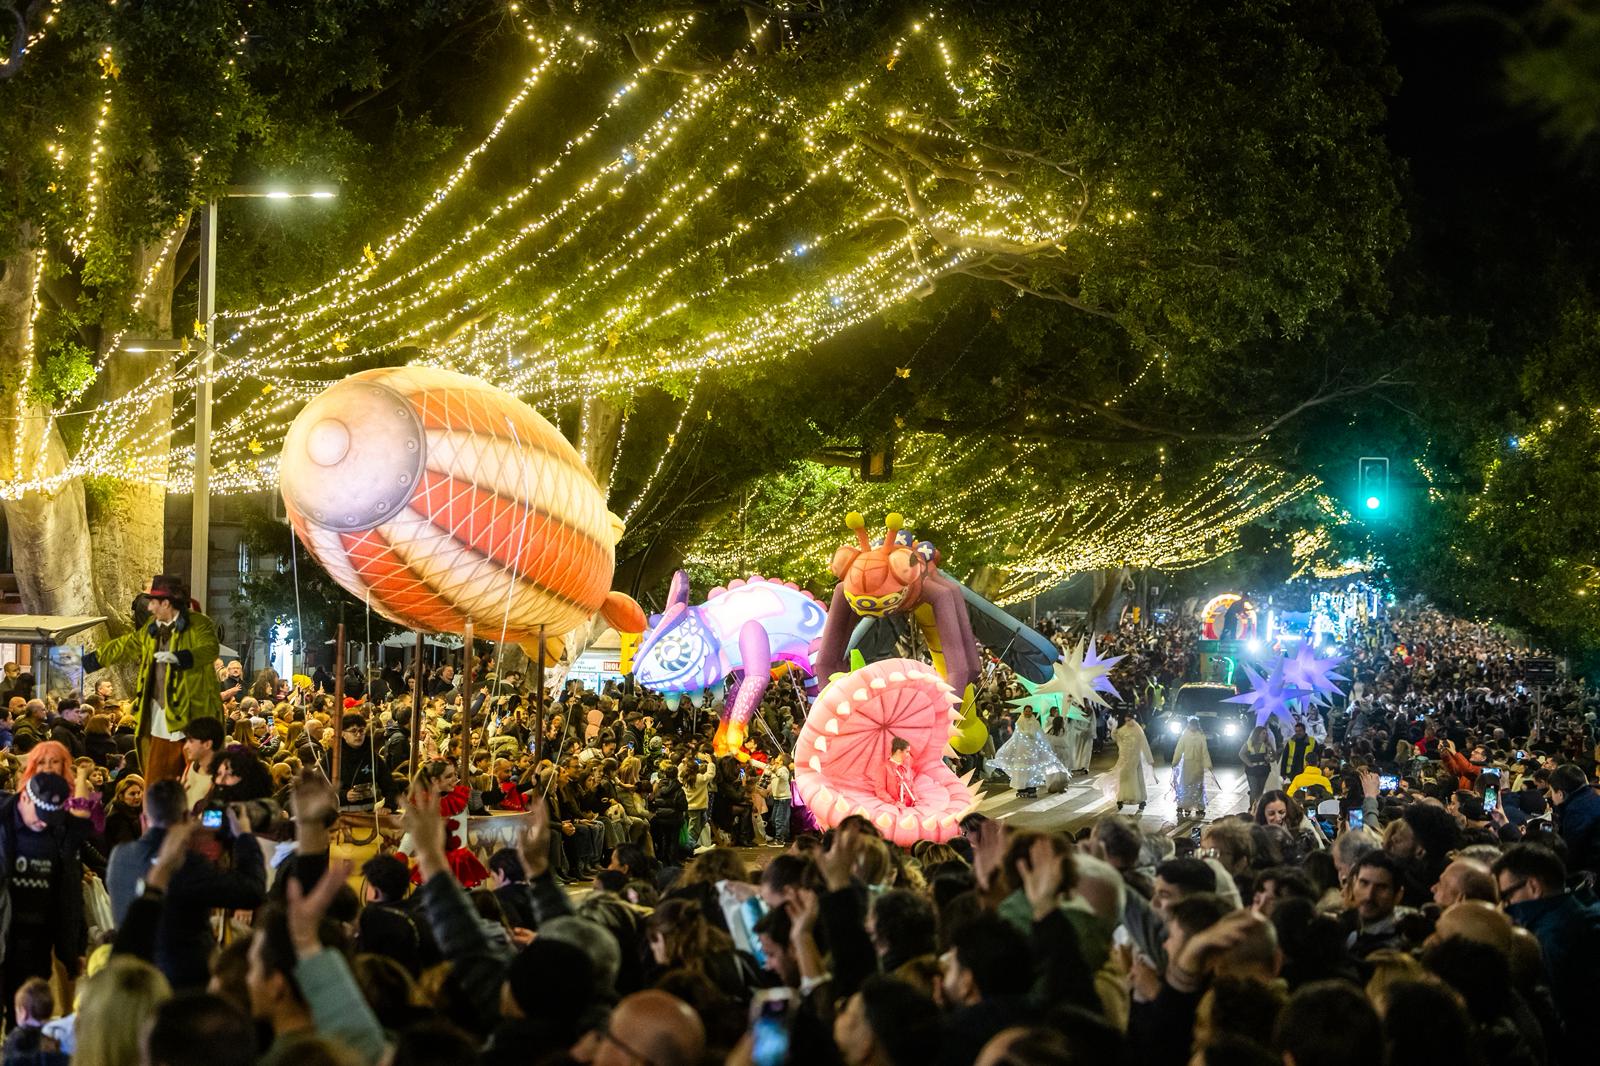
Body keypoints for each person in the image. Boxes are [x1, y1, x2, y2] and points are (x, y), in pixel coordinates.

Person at [105, 779, 267, 989]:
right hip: (182, 984)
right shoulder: (185, 864)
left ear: (145, 819)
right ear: (185, 817)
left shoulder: (120, 856)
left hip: (133, 982)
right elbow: (251, 891)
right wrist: (244, 837)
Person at [82, 574, 225, 784]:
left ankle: (204, 818)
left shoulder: (199, 624)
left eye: (153, 603)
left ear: (166, 603)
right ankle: (155, 816)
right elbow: (126, 644)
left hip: (193, 718)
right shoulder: (152, 628)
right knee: (156, 783)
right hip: (159, 718)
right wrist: (90, 661)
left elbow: (210, 649)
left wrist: (180, 657)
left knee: (203, 782)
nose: (149, 608)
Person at [0, 773, 93, 1019]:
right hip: (4, 935)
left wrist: (77, 945)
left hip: (38, 942)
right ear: (26, 799)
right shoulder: (4, 825)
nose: (44, 824)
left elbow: (70, 894)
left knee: (27, 1017)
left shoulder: (59, 835)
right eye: (41, 817)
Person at [990, 709, 1067, 799]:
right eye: (1026, 711)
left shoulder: (1035, 723)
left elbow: (1039, 734)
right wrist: (1026, 735)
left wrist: (1038, 742)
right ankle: (1022, 788)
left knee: (1032, 769)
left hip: (1032, 750)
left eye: (1029, 711)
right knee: (1022, 768)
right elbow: (1017, 734)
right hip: (1021, 750)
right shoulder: (1019, 722)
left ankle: (1031, 787)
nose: (1028, 713)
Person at [1108, 710, 1154, 813]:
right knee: (1124, 778)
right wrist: (1114, 730)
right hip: (1125, 759)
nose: (1128, 722)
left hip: (1135, 760)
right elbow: (1117, 737)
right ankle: (1122, 798)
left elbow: (1145, 745)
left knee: (1137, 779)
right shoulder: (1123, 730)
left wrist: (1149, 759)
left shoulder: (1138, 731)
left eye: (1129, 720)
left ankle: (1141, 799)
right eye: (1126, 720)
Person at [1171, 718, 1213, 819]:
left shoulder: (1201, 736)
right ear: (1189, 725)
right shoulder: (1185, 736)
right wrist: (1175, 761)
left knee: (1198, 787)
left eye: (1194, 726)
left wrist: (1208, 764)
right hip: (1187, 764)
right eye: (1191, 725)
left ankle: (1199, 806)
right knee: (1185, 785)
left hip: (1198, 765)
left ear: (1197, 726)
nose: (1192, 727)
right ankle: (1184, 805)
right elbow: (1179, 749)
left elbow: (1204, 751)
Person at [1238, 726, 1276, 809]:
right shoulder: (1249, 743)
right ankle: (1251, 807)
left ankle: (1258, 808)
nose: (1265, 735)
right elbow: (1241, 754)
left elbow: (1273, 757)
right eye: (1263, 733)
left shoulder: (1267, 745)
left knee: (1260, 790)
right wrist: (1249, 763)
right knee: (1254, 790)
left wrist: (1269, 757)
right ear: (1257, 733)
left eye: (1266, 733)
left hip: (1263, 770)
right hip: (1252, 770)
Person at [884, 737, 918, 807]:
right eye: (907, 751)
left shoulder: (906, 767)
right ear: (898, 751)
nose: (909, 755)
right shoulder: (884, 767)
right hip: (892, 805)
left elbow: (912, 786)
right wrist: (894, 803)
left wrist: (915, 799)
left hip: (910, 805)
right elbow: (880, 790)